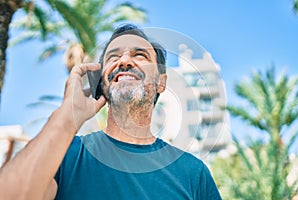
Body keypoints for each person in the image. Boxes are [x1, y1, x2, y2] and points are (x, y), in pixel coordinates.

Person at [0, 24, 222, 199]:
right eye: (113, 57)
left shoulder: (194, 174)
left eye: (139, 55)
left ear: (161, 82)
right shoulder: (65, 155)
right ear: (101, 82)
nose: (124, 61)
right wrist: (68, 114)